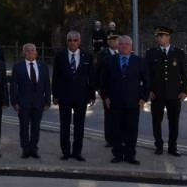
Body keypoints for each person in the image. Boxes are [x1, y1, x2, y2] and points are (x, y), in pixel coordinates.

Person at [99, 35, 149, 164]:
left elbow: (147, 82)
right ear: (118, 45)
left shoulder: (139, 61)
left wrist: (143, 98)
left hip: (133, 102)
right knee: (117, 130)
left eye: (127, 44)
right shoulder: (110, 61)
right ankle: (118, 154)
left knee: (131, 131)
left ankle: (130, 155)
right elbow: (104, 81)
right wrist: (105, 97)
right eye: (121, 44)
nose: (124, 46)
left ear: (131, 46)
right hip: (115, 102)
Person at [146, 26, 187, 156]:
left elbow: (185, 73)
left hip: (174, 94)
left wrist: (184, 91)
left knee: (174, 121)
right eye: (157, 36)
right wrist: (149, 90)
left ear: (168, 37)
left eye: (161, 36)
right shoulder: (151, 53)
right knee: (156, 121)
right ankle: (158, 145)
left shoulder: (178, 53)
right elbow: (147, 74)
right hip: (157, 94)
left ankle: (172, 147)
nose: (159, 38)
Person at [52, 31, 95, 161]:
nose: (72, 42)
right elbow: (56, 77)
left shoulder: (87, 56)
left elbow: (91, 77)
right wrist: (55, 94)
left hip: (81, 97)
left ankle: (77, 152)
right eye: (70, 40)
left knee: (79, 126)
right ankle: (65, 152)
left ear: (79, 42)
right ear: (67, 41)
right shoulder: (60, 56)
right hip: (64, 96)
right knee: (64, 125)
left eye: (75, 40)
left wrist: (92, 95)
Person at [10, 43, 51, 159]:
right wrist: (14, 102)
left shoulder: (43, 66)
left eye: (33, 50)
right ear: (24, 53)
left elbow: (47, 85)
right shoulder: (18, 67)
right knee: (24, 127)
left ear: (36, 52)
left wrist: (48, 101)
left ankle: (34, 149)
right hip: (23, 103)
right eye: (28, 50)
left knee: (36, 127)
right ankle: (25, 149)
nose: (31, 52)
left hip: (39, 103)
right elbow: (13, 86)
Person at [95, 32, 121, 147]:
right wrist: (98, 88)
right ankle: (109, 139)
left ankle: (120, 137)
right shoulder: (102, 54)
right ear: (108, 41)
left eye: (115, 39)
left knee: (121, 114)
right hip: (107, 89)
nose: (114, 42)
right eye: (111, 40)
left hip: (121, 88)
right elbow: (97, 71)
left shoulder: (123, 51)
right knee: (109, 114)